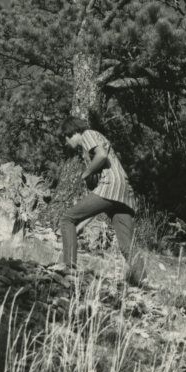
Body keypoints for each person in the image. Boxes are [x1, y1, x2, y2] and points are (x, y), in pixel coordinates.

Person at [55, 110, 146, 286]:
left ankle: (69, 268)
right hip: (123, 191)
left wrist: (86, 173)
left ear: (72, 132)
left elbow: (102, 156)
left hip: (110, 185)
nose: (66, 143)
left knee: (67, 218)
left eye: (65, 138)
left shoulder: (87, 135)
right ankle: (143, 281)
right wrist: (83, 223)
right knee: (126, 243)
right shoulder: (93, 144)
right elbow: (101, 202)